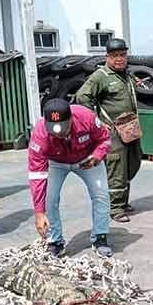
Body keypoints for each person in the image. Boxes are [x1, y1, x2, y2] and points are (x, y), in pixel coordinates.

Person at [28, 98, 113, 258]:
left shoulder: (86, 117)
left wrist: (97, 156)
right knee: (49, 199)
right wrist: (39, 213)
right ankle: (55, 241)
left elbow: (105, 138)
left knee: (101, 194)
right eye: (53, 130)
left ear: (71, 119)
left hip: (87, 159)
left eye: (63, 128)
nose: (58, 133)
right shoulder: (40, 135)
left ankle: (100, 237)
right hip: (56, 163)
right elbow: (36, 176)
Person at [74, 38, 141, 222]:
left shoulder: (126, 74)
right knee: (116, 168)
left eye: (123, 55)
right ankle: (115, 208)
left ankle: (123, 201)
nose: (119, 59)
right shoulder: (100, 76)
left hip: (129, 128)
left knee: (131, 164)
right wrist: (96, 121)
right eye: (115, 56)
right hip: (113, 131)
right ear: (107, 57)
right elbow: (82, 97)